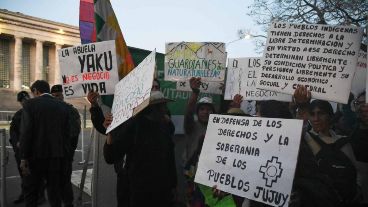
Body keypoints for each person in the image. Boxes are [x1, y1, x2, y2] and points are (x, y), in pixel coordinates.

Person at [104, 90, 177, 207]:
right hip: (139, 192)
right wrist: (110, 132)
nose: (165, 110)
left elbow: (169, 157)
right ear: (152, 109)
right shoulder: (133, 126)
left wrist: (173, 185)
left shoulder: (165, 126)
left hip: (163, 192)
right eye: (162, 106)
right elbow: (110, 156)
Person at [19, 80, 70, 207]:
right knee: (54, 191)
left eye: (33, 92)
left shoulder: (30, 104)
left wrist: (23, 157)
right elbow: (66, 134)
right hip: (56, 156)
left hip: (35, 156)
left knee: (32, 192)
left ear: (36, 91)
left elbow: (26, 132)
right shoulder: (62, 105)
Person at [51, 84, 81, 207]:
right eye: (53, 96)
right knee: (53, 182)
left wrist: (69, 152)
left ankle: (68, 203)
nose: (56, 98)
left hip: (64, 152)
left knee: (65, 181)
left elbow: (74, 133)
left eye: (58, 95)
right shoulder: (49, 111)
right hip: (51, 153)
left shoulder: (70, 110)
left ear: (63, 96)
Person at [183, 77, 215, 165]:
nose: (205, 112)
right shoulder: (191, 126)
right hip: (192, 169)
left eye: (209, 110)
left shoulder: (218, 129)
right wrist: (195, 91)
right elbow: (189, 110)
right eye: (202, 109)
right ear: (197, 112)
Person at [9, 91, 30, 204]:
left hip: (32, 150)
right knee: (24, 173)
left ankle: (36, 196)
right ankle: (25, 194)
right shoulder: (19, 114)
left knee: (33, 174)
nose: (23, 103)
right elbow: (13, 131)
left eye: (24, 100)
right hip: (21, 150)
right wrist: (17, 141)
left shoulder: (35, 111)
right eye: (22, 101)